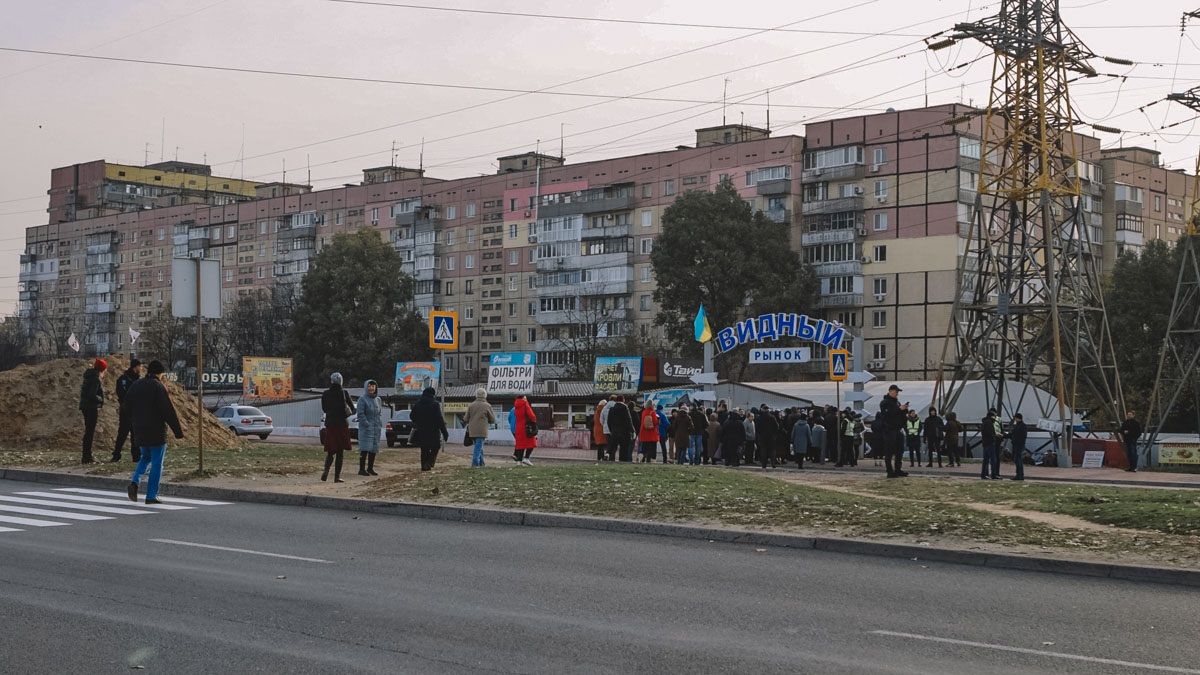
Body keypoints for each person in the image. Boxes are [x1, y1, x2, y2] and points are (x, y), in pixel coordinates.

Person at [125, 360, 183, 504]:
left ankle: (135, 482)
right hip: (156, 431)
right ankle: (151, 495)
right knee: (157, 463)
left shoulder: (136, 385)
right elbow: (167, 410)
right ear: (160, 373)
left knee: (145, 457)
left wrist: (133, 421)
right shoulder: (158, 386)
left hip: (139, 429)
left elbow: (126, 406)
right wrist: (178, 431)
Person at [321, 372, 354, 482]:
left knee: (331, 450)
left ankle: (326, 471)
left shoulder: (325, 393)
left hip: (330, 424)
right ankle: (336, 477)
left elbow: (324, 409)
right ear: (341, 381)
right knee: (340, 452)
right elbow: (353, 409)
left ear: (331, 381)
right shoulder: (344, 393)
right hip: (341, 425)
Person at [411, 386, 450, 470]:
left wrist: (418, 422)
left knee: (424, 449)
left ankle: (424, 466)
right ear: (433, 394)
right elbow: (440, 419)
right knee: (436, 447)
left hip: (421, 431)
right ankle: (429, 463)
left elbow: (412, 416)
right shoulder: (435, 404)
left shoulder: (417, 404)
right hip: (433, 431)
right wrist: (445, 433)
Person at [112, 359, 142, 463]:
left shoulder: (123, 379)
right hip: (131, 410)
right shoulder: (135, 381)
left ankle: (118, 454)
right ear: (135, 367)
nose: (141, 368)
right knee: (130, 433)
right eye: (140, 366)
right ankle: (134, 456)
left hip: (126, 409)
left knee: (126, 433)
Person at [79, 358, 107, 464]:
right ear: (101, 369)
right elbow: (92, 394)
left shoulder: (89, 375)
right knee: (89, 432)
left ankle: (86, 455)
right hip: (91, 407)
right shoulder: (95, 378)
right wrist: (100, 399)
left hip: (85, 406)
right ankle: (87, 456)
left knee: (88, 431)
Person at [879, 384, 908, 478]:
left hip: (898, 429)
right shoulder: (885, 402)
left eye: (897, 392)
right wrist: (899, 409)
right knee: (889, 451)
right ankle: (889, 471)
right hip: (889, 429)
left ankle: (898, 469)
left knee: (899, 450)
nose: (897, 394)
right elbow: (888, 414)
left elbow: (898, 414)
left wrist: (904, 411)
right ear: (890, 391)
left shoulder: (897, 402)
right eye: (896, 392)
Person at [355, 379, 384, 476]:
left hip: (376, 428)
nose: (371, 388)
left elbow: (379, 413)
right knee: (365, 449)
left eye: (373, 386)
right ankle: (361, 469)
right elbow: (360, 414)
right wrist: (366, 423)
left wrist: (379, 423)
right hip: (366, 428)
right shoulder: (362, 399)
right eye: (369, 386)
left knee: (374, 448)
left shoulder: (378, 399)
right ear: (366, 387)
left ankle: (370, 468)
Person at [466, 388, 496, 468]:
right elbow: (492, 419)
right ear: (485, 395)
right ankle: (475, 464)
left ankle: (482, 463)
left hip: (472, 430)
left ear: (476, 395)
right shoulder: (487, 405)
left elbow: (466, 418)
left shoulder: (471, 405)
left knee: (479, 446)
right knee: (478, 447)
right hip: (482, 430)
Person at [512, 394, 538, 465]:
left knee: (520, 444)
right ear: (523, 397)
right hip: (526, 427)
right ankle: (526, 458)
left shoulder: (516, 405)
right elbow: (532, 415)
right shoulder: (525, 403)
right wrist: (534, 421)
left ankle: (519, 461)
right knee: (532, 442)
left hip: (519, 427)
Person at [607, 395, 634, 462]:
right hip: (624, 432)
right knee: (624, 449)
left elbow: (609, 421)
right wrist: (632, 430)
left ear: (616, 400)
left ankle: (609, 457)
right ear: (623, 400)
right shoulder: (625, 408)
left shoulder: (612, 409)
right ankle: (622, 461)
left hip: (614, 431)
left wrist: (611, 430)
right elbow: (628, 420)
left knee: (613, 447)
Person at [980, 408, 1001, 480]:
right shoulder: (989, 423)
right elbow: (990, 433)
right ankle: (993, 474)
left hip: (985, 443)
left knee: (985, 460)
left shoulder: (984, 422)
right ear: (992, 416)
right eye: (994, 416)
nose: (995, 418)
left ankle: (984, 474)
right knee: (993, 459)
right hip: (990, 443)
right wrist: (996, 436)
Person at [1009, 413, 1028, 481]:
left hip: (1018, 445)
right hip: (1016, 444)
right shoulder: (1018, 425)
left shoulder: (1022, 426)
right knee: (1017, 460)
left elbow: (1021, 436)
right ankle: (1018, 475)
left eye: (1015, 418)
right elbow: (1013, 434)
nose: (1015, 419)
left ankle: (1020, 475)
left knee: (1018, 460)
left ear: (1018, 418)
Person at [600, 395, 615, 461]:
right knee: (614, 444)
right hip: (615, 429)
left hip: (606, 429)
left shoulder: (605, 407)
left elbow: (601, 419)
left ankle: (607, 455)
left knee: (609, 443)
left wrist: (604, 425)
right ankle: (611, 457)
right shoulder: (616, 406)